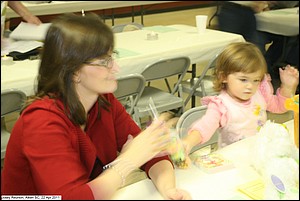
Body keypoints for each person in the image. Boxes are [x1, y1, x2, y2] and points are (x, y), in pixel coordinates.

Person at [1, 13, 191, 200]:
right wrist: (127, 162)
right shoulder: (41, 122)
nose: (116, 68)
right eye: (104, 62)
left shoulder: (103, 100)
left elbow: (152, 155)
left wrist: (169, 190)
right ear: (74, 71)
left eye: (112, 56)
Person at [181, 42, 299, 153]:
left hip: (258, 153)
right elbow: (206, 125)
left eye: (256, 80)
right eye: (243, 80)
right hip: (233, 159)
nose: (250, 86)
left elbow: (279, 107)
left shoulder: (259, 93)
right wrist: (190, 140)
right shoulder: (221, 105)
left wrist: (287, 88)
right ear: (223, 77)